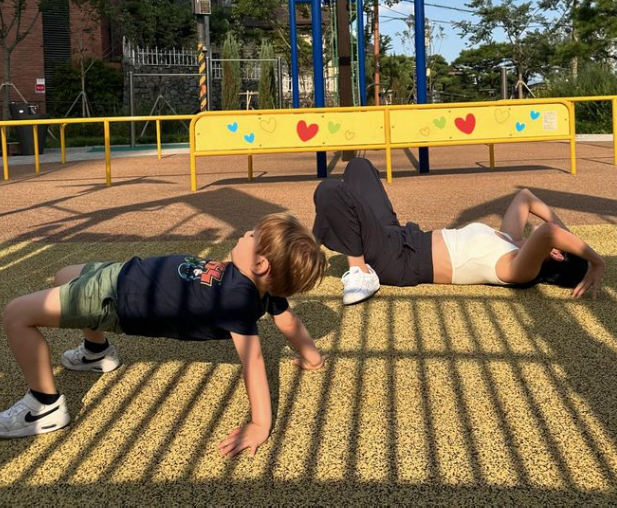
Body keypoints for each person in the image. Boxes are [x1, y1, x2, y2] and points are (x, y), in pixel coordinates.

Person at [0, 213, 327, 457]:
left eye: (251, 235)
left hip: (116, 300)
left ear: (260, 264)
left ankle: (44, 406)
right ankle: (95, 351)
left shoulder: (238, 299)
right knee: (63, 276)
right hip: (124, 274)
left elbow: (253, 360)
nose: (244, 233)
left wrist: (259, 425)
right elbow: (289, 322)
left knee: (17, 314)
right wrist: (311, 356)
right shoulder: (258, 287)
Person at [313, 157, 605, 305]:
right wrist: (575, 243)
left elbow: (549, 232)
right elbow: (525, 197)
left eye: (563, 248)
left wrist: (596, 261)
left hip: (398, 262)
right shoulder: (510, 240)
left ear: (555, 255)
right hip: (401, 236)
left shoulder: (519, 270)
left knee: (329, 191)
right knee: (359, 166)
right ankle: (339, 244)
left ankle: (360, 272)